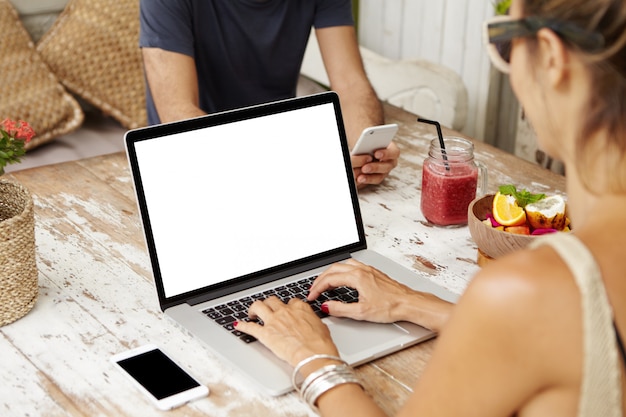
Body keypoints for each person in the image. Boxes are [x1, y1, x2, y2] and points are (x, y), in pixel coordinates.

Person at [234, 0, 626, 415]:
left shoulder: (530, 291)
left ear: (550, 58)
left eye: (505, 43)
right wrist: (411, 302)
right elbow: (552, 340)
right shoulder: (541, 305)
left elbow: (534, 320)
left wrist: (312, 357)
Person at [138, 0, 399, 188]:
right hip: (189, 164)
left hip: (277, 149)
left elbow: (350, 83)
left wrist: (365, 154)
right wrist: (292, 166)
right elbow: (178, 115)